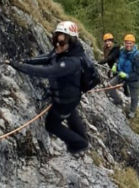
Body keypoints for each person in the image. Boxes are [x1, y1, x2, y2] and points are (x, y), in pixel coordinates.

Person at [9, 21, 89, 155]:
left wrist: (20, 67)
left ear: (71, 43)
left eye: (61, 43)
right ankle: (82, 137)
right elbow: (48, 57)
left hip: (65, 100)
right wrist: (25, 61)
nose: (57, 45)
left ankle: (80, 144)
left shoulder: (72, 62)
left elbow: (48, 72)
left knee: (51, 125)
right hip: (69, 96)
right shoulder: (64, 51)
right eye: (55, 40)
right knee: (71, 113)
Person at [110, 33, 139, 119]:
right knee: (109, 86)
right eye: (127, 43)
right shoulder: (123, 51)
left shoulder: (138, 56)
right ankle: (118, 100)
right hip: (121, 74)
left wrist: (127, 76)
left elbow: (138, 73)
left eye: (130, 43)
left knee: (134, 97)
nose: (128, 45)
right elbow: (120, 60)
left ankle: (132, 111)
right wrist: (115, 65)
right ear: (124, 43)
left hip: (134, 80)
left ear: (133, 44)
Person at [101, 33, 124, 108]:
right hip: (115, 71)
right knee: (111, 85)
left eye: (109, 41)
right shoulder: (106, 49)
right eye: (106, 41)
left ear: (112, 41)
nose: (108, 42)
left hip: (120, 71)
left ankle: (118, 101)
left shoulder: (116, 49)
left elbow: (110, 58)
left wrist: (100, 62)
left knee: (109, 86)